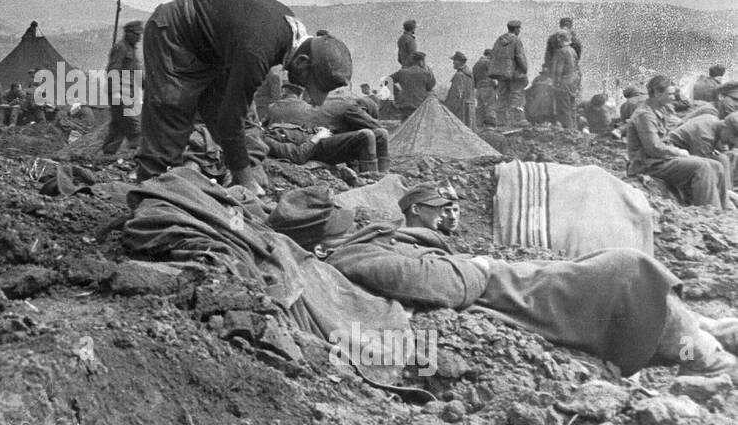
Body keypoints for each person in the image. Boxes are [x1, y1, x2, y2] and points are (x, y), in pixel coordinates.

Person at [307, 183, 738, 380]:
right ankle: (714, 348)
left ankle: (714, 344)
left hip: (558, 285)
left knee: (702, 346)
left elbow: (437, 278)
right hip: (552, 285)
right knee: (661, 301)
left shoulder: (366, 248)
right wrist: (474, 265)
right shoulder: (363, 252)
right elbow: (435, 280)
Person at [136, 0, 339, 196]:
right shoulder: (258, 52)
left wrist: (248, 166)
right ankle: (149, 192)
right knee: (172, 112)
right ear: (301, 62)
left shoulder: (287, 28)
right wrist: (246, 180)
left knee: (227, 111)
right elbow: (229, 121)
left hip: (211, 50)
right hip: (176, 32)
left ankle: (237, 176)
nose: (308, 94)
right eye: (309, 84)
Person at [628, 75, 728, 209]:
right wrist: (677, 151)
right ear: (657, 93)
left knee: (717, 166)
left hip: (661, 158)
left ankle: (725, 210)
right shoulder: (645, 115)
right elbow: (653, 148)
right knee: (701, 167)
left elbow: (666, 136)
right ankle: (710, 212)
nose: (673, 97)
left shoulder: (661, 109)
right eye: (669, 93)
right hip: (648, 163)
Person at [263, 84, 390, 174]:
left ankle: (384, 176)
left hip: (322, 139)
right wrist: (316, 137)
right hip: (318, 146)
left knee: (380, 134)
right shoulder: (267, 139)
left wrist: (316, 132)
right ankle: (372, 180)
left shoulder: (274, 124)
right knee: (367, 135)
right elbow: (298, 155)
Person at [102, 20, 143, 155]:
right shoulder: (121, 48)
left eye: (139, 34)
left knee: (118, 125)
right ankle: (138, 150)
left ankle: (108, 153)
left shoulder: (130, 49)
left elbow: (134, 72)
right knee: (130, 122)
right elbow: (113, 69)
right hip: (119, 93)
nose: (139, 37)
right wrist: (115, 92)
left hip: (127, 91)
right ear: (128, 33)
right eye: (136, 34)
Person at [487, 20, 528, 127]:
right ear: (515, 29)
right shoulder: (516, 40)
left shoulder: (499, 40)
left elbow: (493, 56)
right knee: (517, 95)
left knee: (502, 96)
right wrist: (524, 69)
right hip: (513, 73)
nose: (519, 30)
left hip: (501, 74)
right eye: (518, 28)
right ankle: (517, 120)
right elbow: (519, 56)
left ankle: (501, 121)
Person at [548, 30, 581, 129]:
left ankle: (568, 130)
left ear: (561, 39)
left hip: (564, 83)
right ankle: (574, 129)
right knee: (572, 107)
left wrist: (554, 83)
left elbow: (558, 70)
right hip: (573, 83)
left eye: (559, 39)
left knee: (564, 108)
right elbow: (577, 68)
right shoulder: (573, 51)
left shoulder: (561, 52)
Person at [390, 51, 436, 120]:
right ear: (421, 61)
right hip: (419, 106)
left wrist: (397, 93)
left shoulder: (402, 72)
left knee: (404, 127)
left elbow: (386, 81)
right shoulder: (425, 73)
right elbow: (430, 87)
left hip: (404, 107)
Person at [444, 51, 475, 127]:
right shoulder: (470, 75)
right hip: (470, 109)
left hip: (461, 110)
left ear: (459, 62)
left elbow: (456, 96)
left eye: (454, 61)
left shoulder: (459, 75)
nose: (453, 63)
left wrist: (448, 110)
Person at [472, 48, 495, 127]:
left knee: (480, 108)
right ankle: (491, 127)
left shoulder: (476, 64)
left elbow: (473, 79)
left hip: (479, 89)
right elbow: (494, 74)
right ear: (490, 55)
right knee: (490, 107)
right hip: (488, 87)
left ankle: (479, 126)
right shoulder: (488, 62)